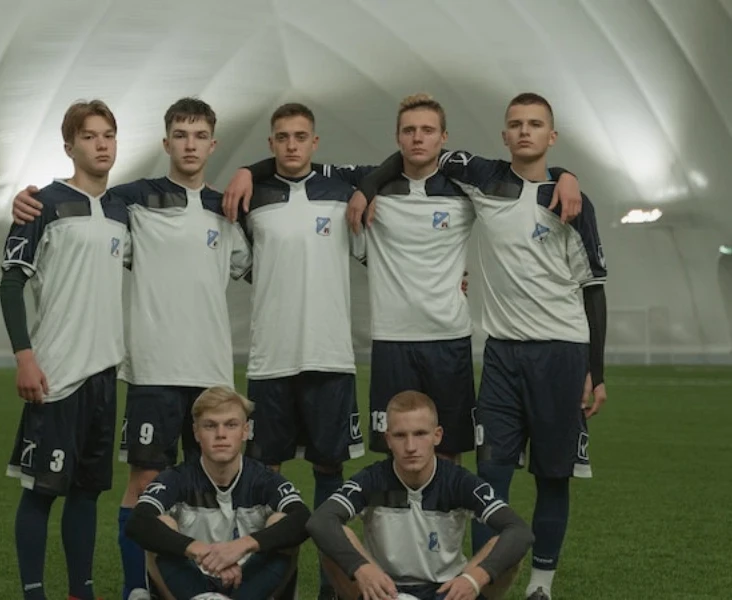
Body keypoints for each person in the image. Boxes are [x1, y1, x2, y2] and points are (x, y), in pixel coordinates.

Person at [222, 94, 582, 466]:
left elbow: (524, 173)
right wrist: (248, 171)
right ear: (397, 138)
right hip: (391, 341)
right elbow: (295, 164)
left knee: (447, 451)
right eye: (409, 131)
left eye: (427, 131)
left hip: (449, 339)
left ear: (444, 139)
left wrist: (566, 176)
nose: (418, 138)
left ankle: (445, 523)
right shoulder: (359, 181)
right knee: (395, 451)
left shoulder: (464, 187)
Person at [357, 93, 608, 600]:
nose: (524, 132)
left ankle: (540, 585)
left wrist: (595, 371)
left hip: (562, 354)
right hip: (500, 354)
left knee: (552, 476)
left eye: (535, 124)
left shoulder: (570, 198)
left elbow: (593, 289)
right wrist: (366, 187)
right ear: (503, 134)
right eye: (515, 124)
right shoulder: (478, 174)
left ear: (551, 136)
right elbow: (408, 156)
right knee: (487, 480)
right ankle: (474, 584)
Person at [8, 97, 252, 600]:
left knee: (207, 487)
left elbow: (262, 267)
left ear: (213, 143)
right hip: (147, 370)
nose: (190, 144)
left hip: (209, 375)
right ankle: (134, 588)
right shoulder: (130, 201)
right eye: (180, 135)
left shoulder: (224, 209)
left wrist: (251, 172)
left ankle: (195, 586)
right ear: (165, 143)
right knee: (143, 485)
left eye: (199, 135)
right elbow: (68, 202)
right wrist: (25, 199)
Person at [223, 102, 366, 599]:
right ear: (270, 144)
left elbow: (394, 173)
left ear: (315, 142)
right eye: (281, 137)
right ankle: (273, 587)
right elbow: (237, 263)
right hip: (271, 360)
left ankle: (332, 587)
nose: (290, 145)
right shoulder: (251, 199)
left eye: (300, 136)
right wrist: (246, 173)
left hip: (330, 357)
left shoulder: (344, 191)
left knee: (331, 473)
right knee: (265, 479)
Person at [0, 100, 130, 600]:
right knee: (40, 492)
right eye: (91, 136)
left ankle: (83, 592)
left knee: (87, 493)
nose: (102, 144)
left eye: (109, 135)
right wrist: (25, 356)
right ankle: (34, 593)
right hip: (56, 375)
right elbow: (10, 285)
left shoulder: (121, 210)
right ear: (69, 145)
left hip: (104, 373)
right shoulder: (43, 205)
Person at [307, 391, 534, 600]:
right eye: (400, 435)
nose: (410, 446)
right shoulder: (371, 480)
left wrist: (472, 579)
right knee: (335, 538)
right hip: (384, 588)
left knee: (506, 548)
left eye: (420, 434)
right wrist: (361, 568)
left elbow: (520, 531)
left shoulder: (459, 482)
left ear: (437, 435)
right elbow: (320, 521)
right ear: (388, 440)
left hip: (447, 590)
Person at [125, 386, 309, 599]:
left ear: (245, 430)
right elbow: (138, 522)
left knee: (281, 521)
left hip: (249, 585)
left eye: (231, 425)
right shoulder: (176, 479)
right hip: (192, 583)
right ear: (196, 432)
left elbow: (302, 519)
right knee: (161, 525)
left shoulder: (264, 480)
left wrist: (240, 547)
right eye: (210, 425)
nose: (221, 434)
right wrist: (201, 550)